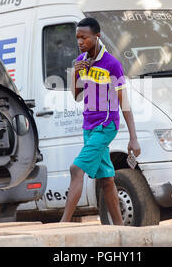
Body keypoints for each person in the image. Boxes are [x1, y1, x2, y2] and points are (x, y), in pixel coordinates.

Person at [60, 17, 141, 225]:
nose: (80, 42)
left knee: (76, 169)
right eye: (77, 38)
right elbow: (76, 96)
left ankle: (64, 225)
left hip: (105, 126)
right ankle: (120, 229)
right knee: (106, 180)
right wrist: (77, 71)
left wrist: (133, 138)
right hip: (88, 126)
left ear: (97, 36)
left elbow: (125, 103)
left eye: (84, 37)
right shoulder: (81, 62)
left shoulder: (112, 65)